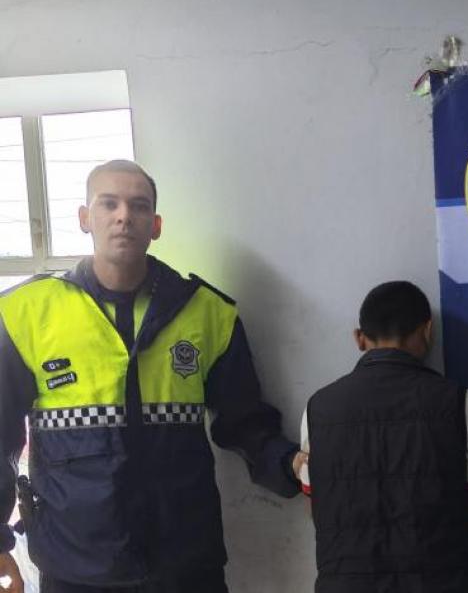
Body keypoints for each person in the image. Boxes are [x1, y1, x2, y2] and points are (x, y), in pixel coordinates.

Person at [0, 160, 308, 593]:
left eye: (139, 206)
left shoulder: (207, 313)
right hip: (76, 566)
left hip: (185, 564)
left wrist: (291, 464)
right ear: (85, 218)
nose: (124, 216)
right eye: (109, 204)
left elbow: (244, 422)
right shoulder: (26, 314)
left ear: (156, 225)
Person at [299, 281, 468, 593]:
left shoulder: (318, 409)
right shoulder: (459, 402)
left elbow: (318, 506)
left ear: (359, 338)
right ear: (427, 331)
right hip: (439, 581)